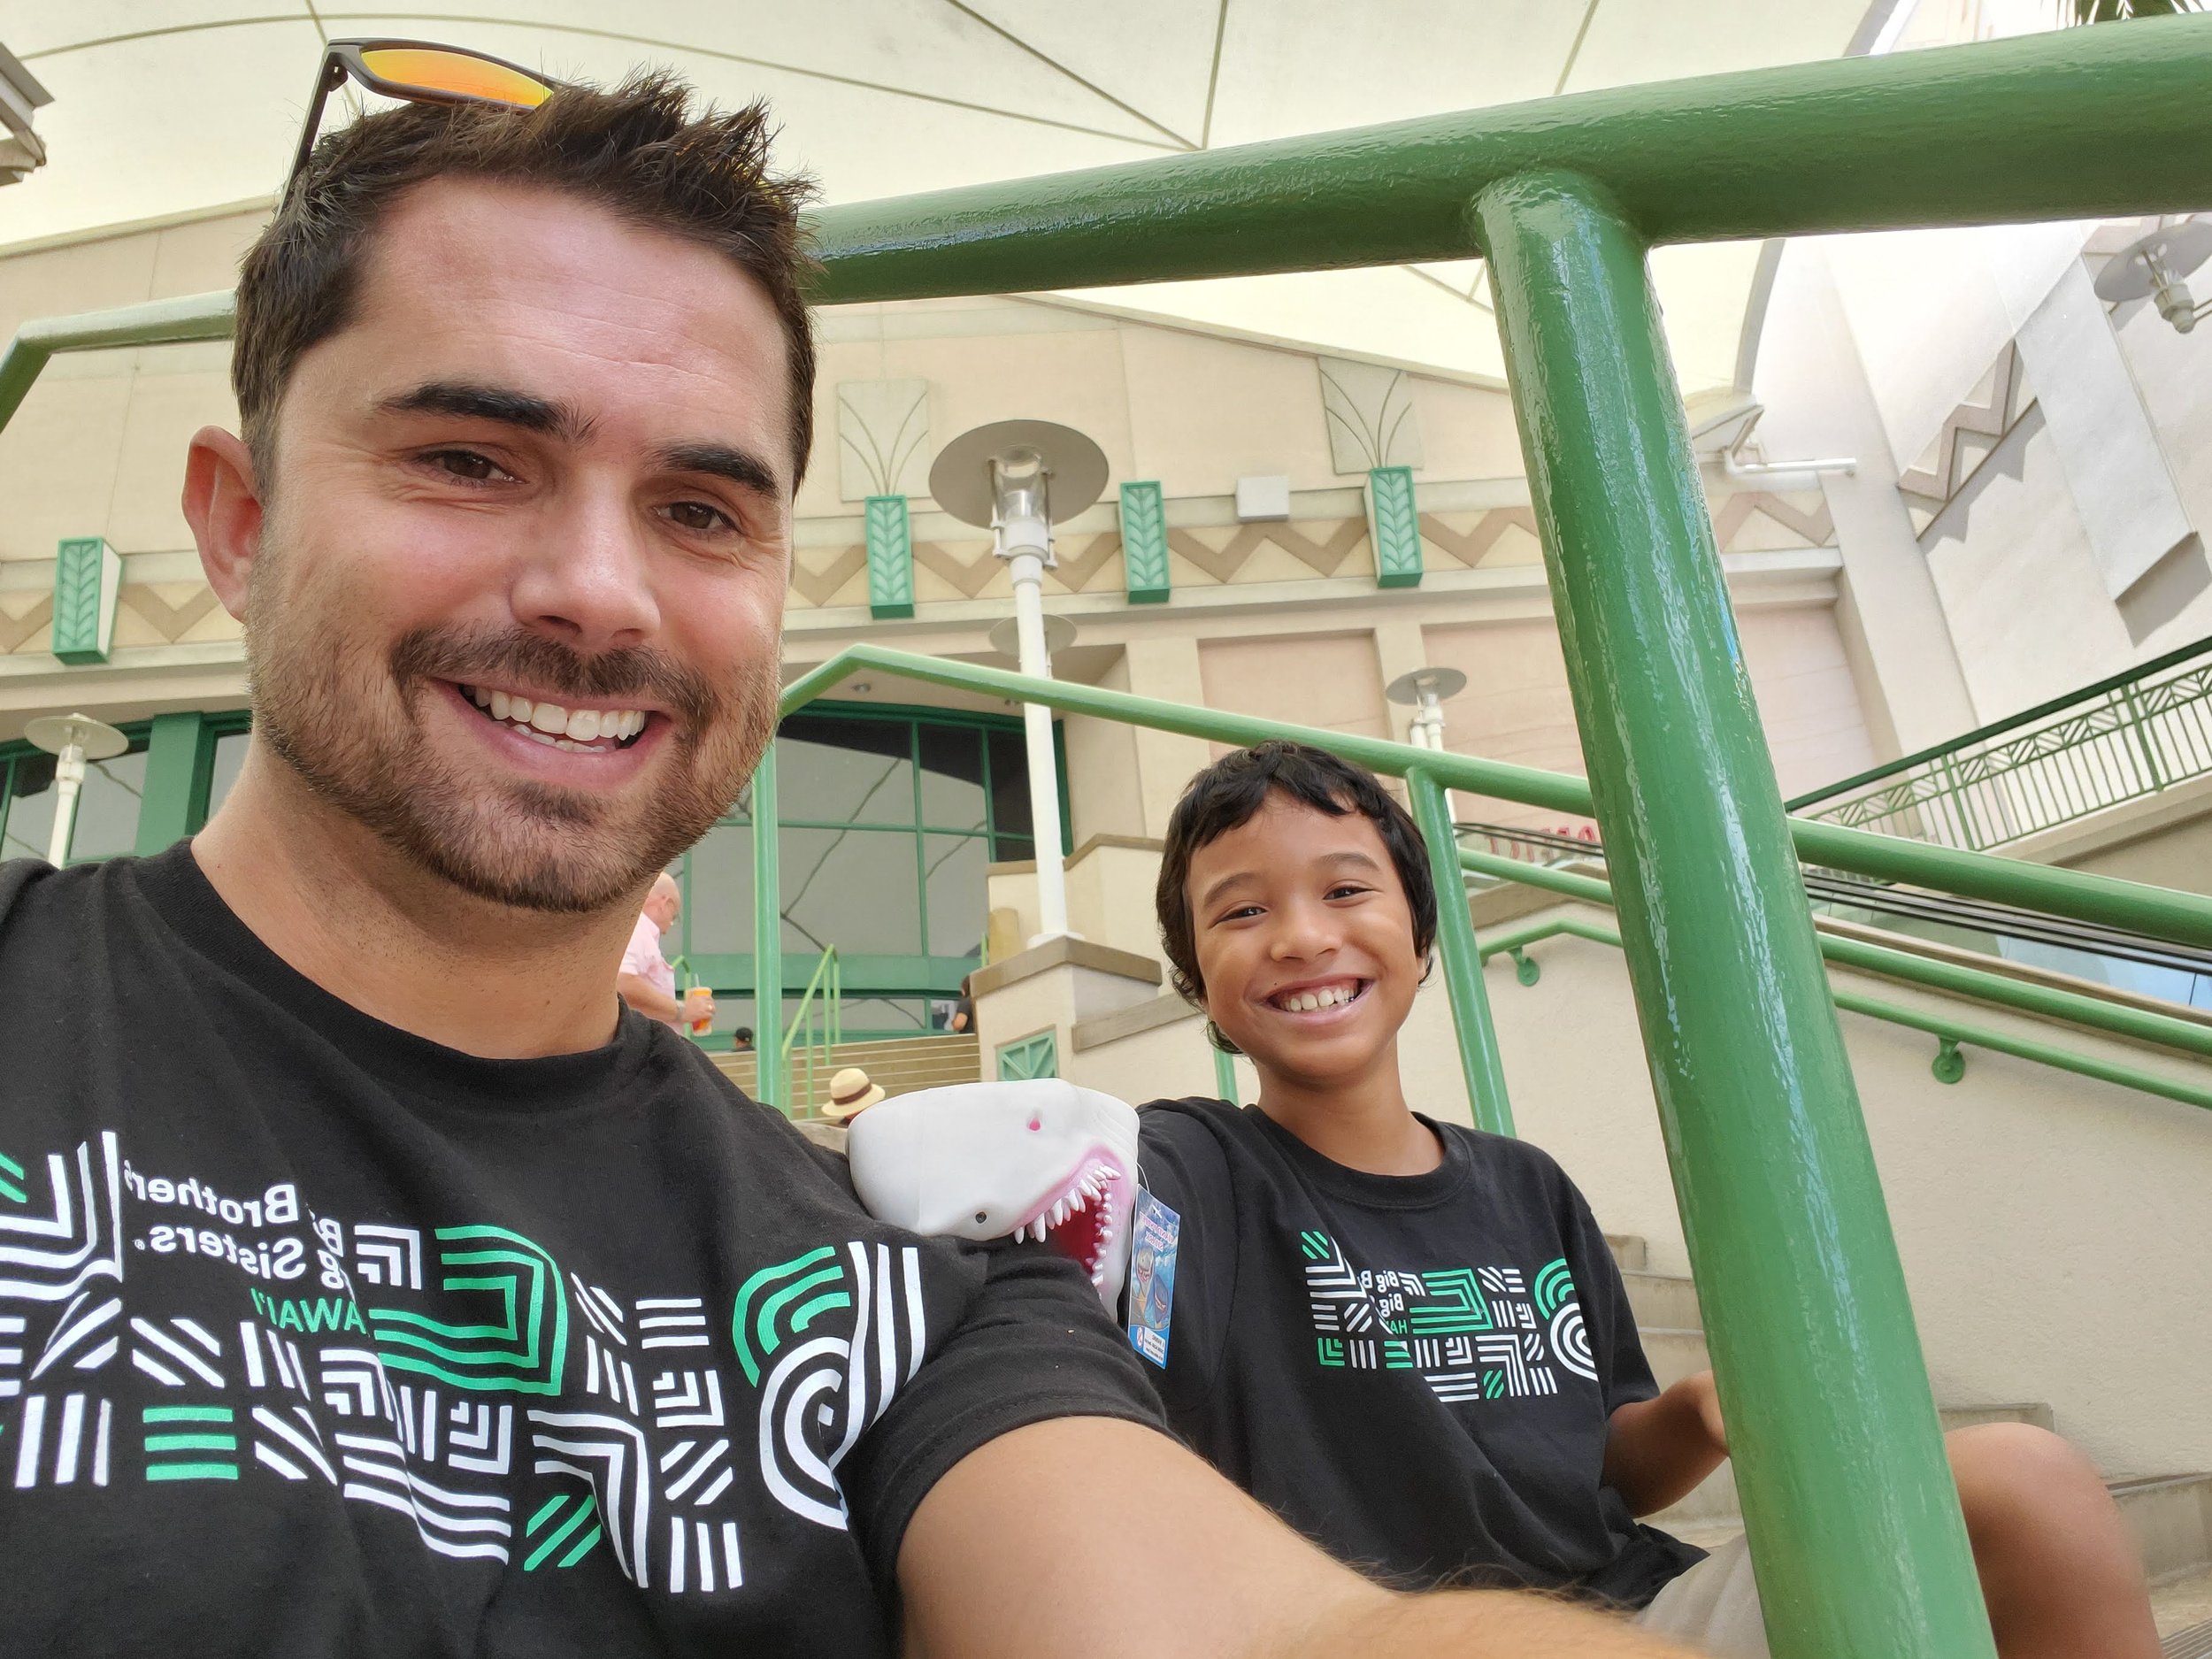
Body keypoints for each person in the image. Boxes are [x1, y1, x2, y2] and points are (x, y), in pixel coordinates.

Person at [0, 58, 1690, 1659]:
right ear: (241, 522)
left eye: (701, 509)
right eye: (468, 460)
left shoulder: (909, 1295)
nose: (599, 591)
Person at [1133, 739, 2162, 1655]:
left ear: (1418, 929)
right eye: (1242, 910)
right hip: (1402, 1635)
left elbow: (1608, 1466)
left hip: (1632, 1606)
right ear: (1195, 973)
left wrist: (1697, 1412)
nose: (1301, 937)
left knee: (2027, 1480)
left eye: (1347, 890)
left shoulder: (1526, 1186)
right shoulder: (1189, 1167)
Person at [618, 870, 707, 1030]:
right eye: (674, 916)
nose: (670, 926)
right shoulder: (638, 929)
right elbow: (622, 981)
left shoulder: (630, 929)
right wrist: (682, 1010)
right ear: (665, 903)